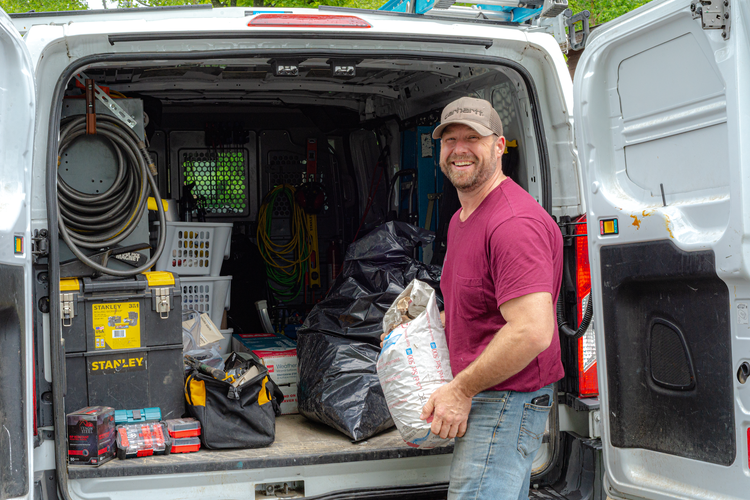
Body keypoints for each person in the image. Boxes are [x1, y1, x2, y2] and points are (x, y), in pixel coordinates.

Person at [386, 96, 565, 499]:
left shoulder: (513, 223)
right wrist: (412, 337)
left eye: (473, 138)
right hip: (490, 393)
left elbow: (533, 331)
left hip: (505, 399)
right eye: (450, 140)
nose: (459, 149)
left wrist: (461, 391)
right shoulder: (463, 216)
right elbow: (470, 308)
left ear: (499, 146)